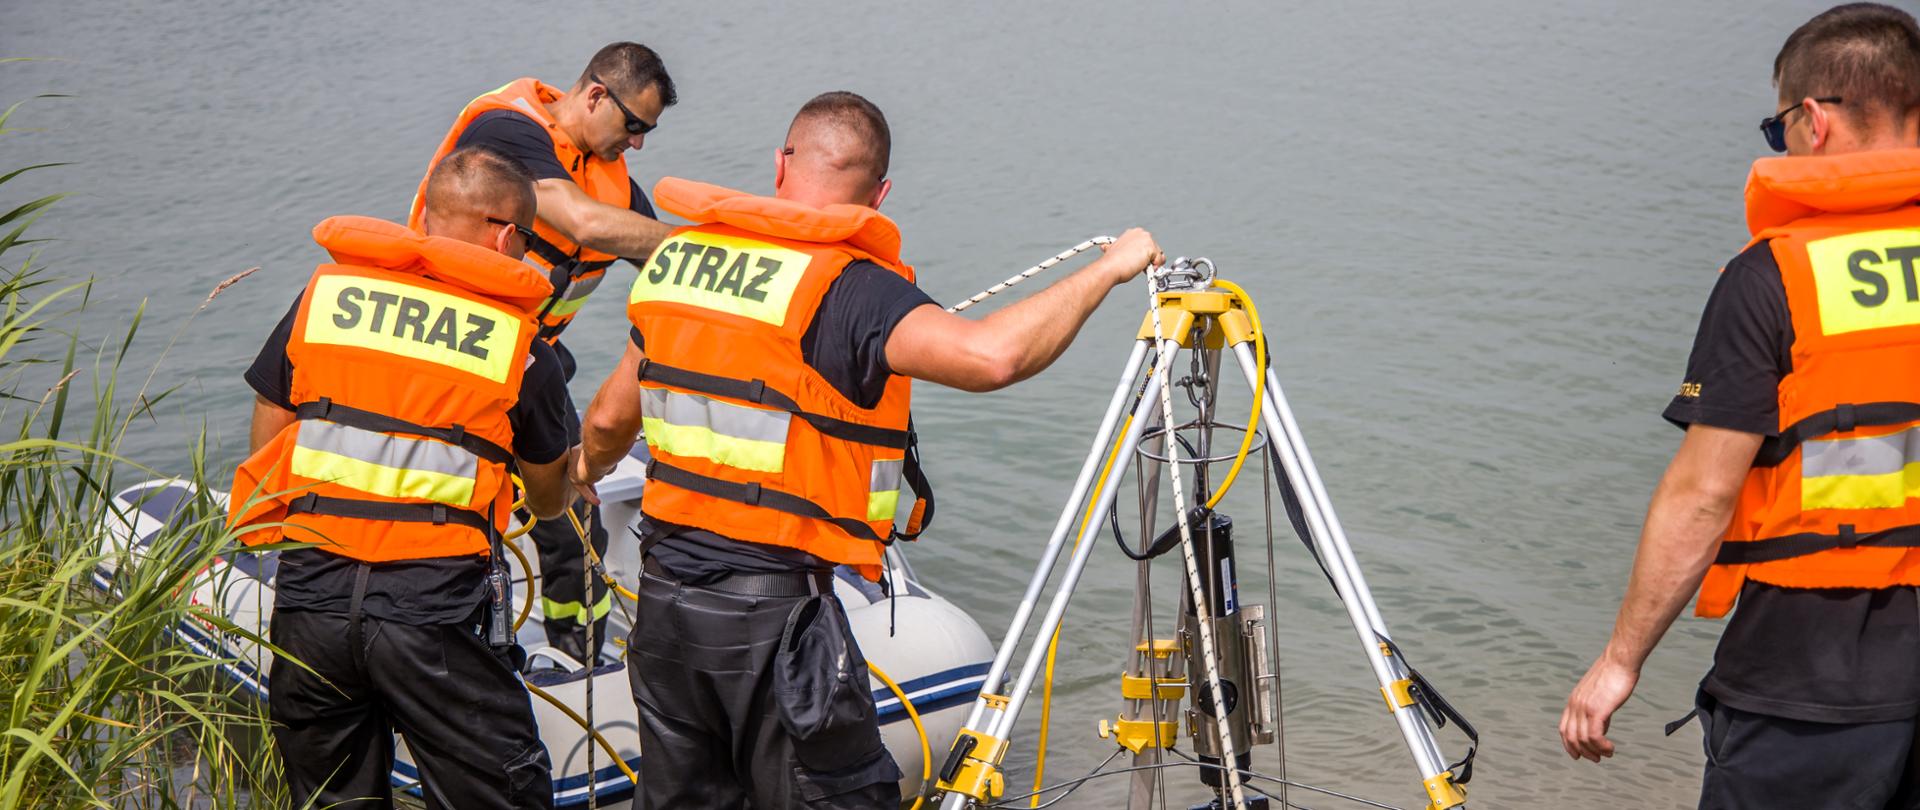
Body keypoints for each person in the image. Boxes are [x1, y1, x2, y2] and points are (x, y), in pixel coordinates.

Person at [566, 90, 1162, 807]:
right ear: (879, 196)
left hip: (665, 611)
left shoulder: (683, 262)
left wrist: (584, 474)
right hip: (773, 621)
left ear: (779, 163)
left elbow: (605, 421)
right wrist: (1112, 267)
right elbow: (991, 357)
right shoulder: (853, 289)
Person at [1560, 5, 1920, 807]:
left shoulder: (1775, 277)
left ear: (1814, 121)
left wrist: (1621, 660)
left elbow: (1704, 493)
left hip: (1814, 684)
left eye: (1779, 127)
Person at [230, 146, 579, 809]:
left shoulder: (327, 296)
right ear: (506, 234)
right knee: (500, 792)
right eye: (529, 243)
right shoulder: (518, 344)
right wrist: (567, 482)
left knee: (334, 800)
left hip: (312, 599)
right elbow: (547, 494)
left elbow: (273, 410)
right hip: (432, 611)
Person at [410, 42, 677, 665]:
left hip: (531, 372)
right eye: (633, 125)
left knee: (575, 524)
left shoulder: (620, 193)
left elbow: (666, 274)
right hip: (446, 358)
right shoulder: (506, 132)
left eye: (649, 132)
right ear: (593, 95)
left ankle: (579, 656)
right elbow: (579, 222)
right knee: (464, 521)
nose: (637, 144)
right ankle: (465, 652)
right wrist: (689, 237)